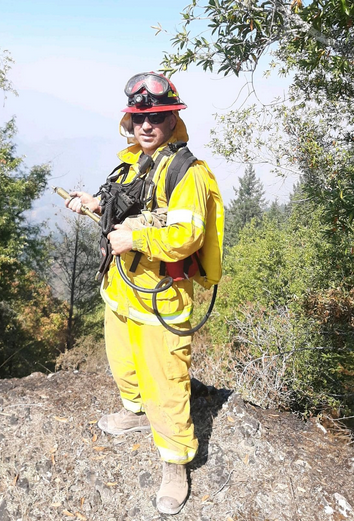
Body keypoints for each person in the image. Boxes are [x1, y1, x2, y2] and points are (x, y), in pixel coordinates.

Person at [65, 72, 224, 515]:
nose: (146, 126)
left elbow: (187, 234)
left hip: (162, 296)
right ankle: (136, 413)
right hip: (122, 288)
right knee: (124, 362)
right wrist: (95, 205)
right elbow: (131, 204)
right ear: (129, 122)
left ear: (173, 118)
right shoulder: (136, 161)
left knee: (167, 382)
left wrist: (136, 240)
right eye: (138, 118)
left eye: (155, 117)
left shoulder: (187, 172)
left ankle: (175, 463)